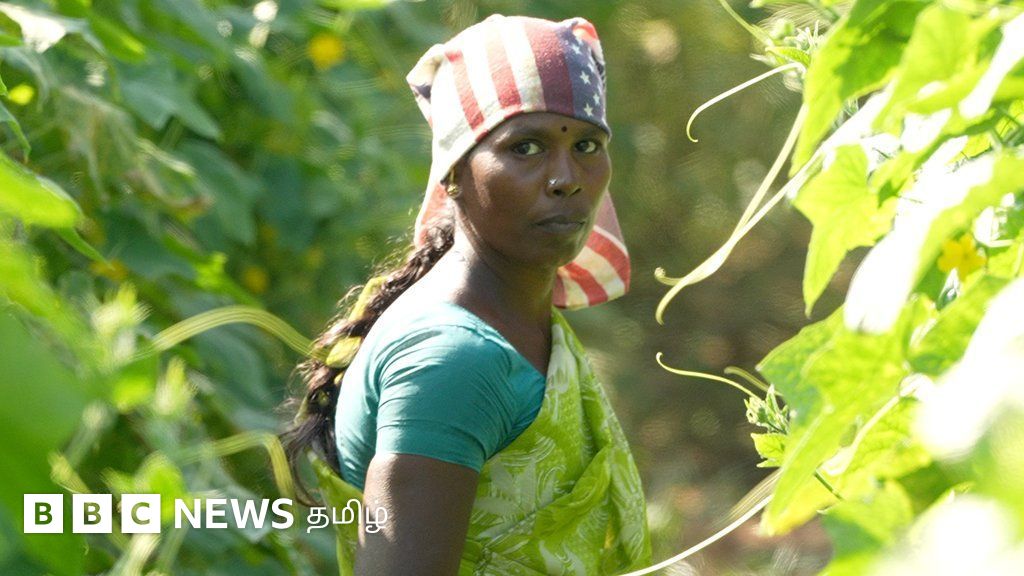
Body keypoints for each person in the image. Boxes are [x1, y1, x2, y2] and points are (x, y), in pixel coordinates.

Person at [282, 13, 651, 576]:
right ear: (454, 173)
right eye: (525, 147)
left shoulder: (519, 320)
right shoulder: (453, 360)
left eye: (586, 143)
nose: (566, 177)